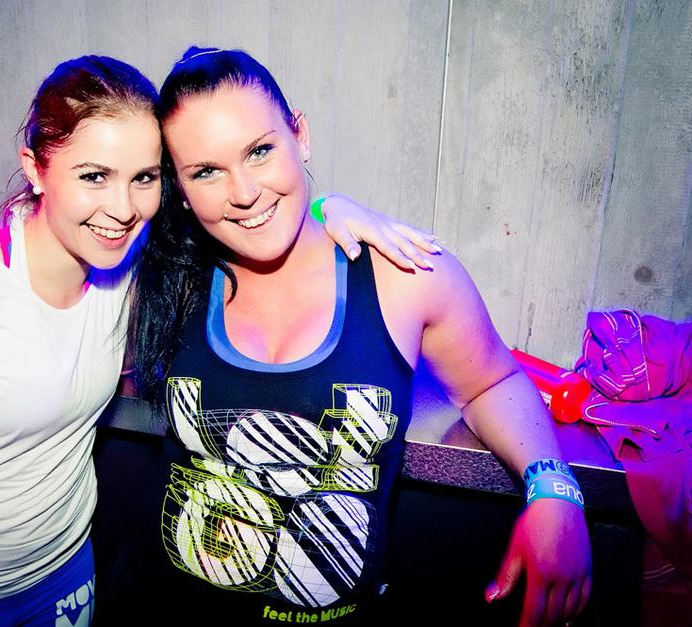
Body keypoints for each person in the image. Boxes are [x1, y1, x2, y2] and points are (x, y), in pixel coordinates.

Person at [0, 54, 435, 626]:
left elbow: (245, 206)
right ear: (35, 168)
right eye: (93, 176)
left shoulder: (121, 271)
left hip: (67, 575)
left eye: (143, 178)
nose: (121, 207)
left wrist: (329, 208)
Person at [128, 47, 592, 627]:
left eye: (260, 151)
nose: (243, 191)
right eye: (206, 172)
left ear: (300, 135)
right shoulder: (166, 279)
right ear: (179, 186)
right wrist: (324, 205)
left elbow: (490, 382)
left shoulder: (402, 275)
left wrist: (553, 490)